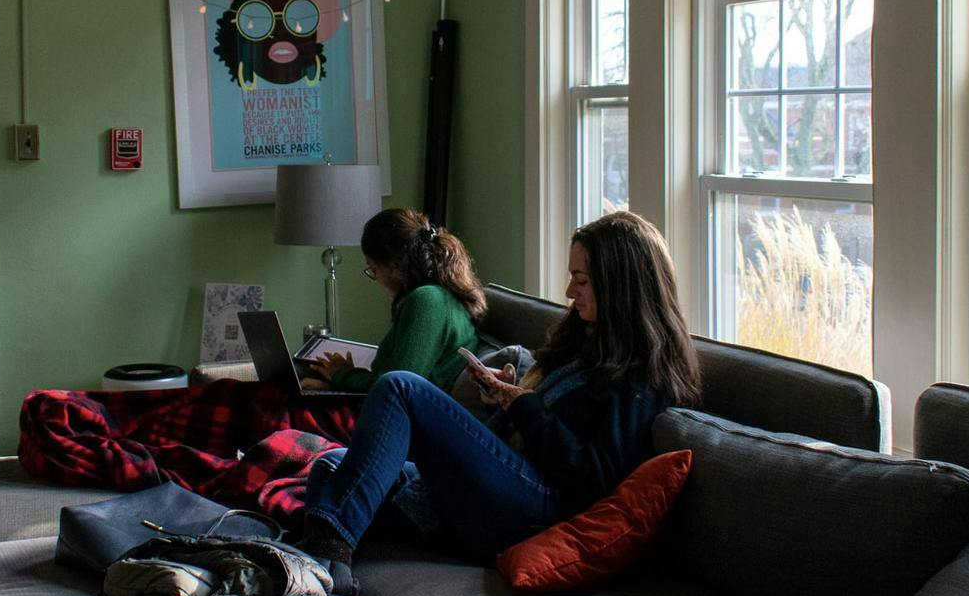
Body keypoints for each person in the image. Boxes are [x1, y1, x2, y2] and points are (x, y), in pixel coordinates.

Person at [298, 210, 699, 567]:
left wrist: (526, 406)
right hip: (505, 483)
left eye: (580, 280)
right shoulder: (587, 338)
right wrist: (507, 397)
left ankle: (325, 554)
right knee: (330, 468)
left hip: (537, 506)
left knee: (400, 388)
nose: (568, 292)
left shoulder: (642, 376)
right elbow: (541, 418)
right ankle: (338, 558)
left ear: (620, 285)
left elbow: (591, 478)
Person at [301, 208, 485, 394]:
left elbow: (397, 386)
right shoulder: (437, 296)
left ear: (395, 265)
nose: (375, 278)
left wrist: (342, 375)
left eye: (373, 268)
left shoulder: (428, 300)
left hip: (416, 410)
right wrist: (336, 383)